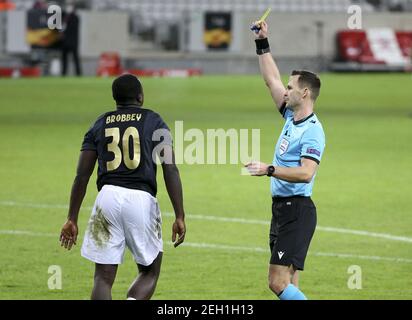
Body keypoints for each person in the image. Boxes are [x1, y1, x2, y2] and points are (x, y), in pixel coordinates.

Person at [59, 74, 186, 300]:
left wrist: (71, 217)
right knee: (150, 271)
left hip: (106, 198)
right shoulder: (154, 120)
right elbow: (170, 169)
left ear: (115, 98)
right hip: (141, 199)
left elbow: (81, 176)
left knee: (102, 277)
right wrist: (179, 215)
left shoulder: (100, 123)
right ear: (140, 96)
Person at [245, 21, 326, 300]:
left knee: (277, 282)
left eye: (291, 88)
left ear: (304, 93)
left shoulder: (313, 131)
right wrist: (262, 42)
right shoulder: (291, 116)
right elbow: (271, 79)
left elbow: (306, 173)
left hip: (297, 211)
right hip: (282, 210)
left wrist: (269, 169)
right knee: (291, 283)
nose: (285, 90)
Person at [61, 4, 82, 76]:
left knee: (75, 59)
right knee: (64, 59)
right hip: (65, 42)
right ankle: (63, 73)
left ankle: (78, 73)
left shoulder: (75, 17)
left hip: (73, 42)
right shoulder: (64, 17)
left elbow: (71, 28)